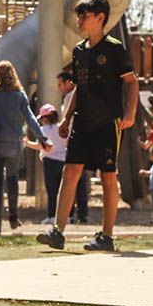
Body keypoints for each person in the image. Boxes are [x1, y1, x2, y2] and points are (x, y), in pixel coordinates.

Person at [36, 0, 138, 252]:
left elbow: (132, 82)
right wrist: (67, 117)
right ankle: (57, 231)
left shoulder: (114, 48)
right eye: (79, 15)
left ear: (100, 18)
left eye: (85, 16)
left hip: (107, 123)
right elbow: (79, 89)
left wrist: (130, 113)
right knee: (70, 171)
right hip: (82, 122)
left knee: (107, 176)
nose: (79, 20)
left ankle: (106, 236)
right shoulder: (79, 51)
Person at [0, 61, 50, 234]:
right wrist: (43, 138)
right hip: (14, 145)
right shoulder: (19, 96)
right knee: (12, 179)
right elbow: (31, 118)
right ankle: (13, 215)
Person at [56, 70, 90, 222]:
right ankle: (80, 213)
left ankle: (74, 213)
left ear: (69, 83)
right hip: (75, 138)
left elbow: (70, 120)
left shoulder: (71, 97)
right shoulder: (68, 97)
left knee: (75, 179)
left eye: (60, 84)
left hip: (75, 138)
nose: (59, 88)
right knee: (79, 179)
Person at [25, 104, 66, 225]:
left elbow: (40, 146)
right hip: (63, 160)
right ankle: (67, 215)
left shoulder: (43, 131)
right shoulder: (61, 128)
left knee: (51, 190)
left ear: (45, 118)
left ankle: (52, 215)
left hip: (50, 161)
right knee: (63, 190)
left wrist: (27, 143)